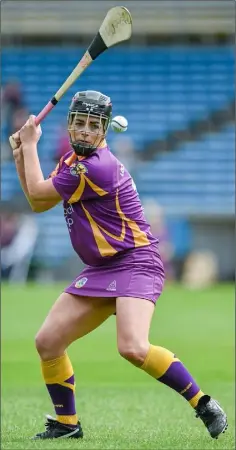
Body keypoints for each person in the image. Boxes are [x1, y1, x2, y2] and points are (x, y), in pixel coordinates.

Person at [12, 90, 227, 441]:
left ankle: (202, 402)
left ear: (104, 130)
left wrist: (30, 144)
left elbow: (36, 194)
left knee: (132, 347)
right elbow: (39, 202)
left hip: (136, 262)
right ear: (69, 124)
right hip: (101, 268)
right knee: (48, 342)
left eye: (92, 125)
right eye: (78, 123)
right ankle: (67, 425)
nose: (84, 131)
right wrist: (23, 154)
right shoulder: (70, 163)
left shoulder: (96, 167)